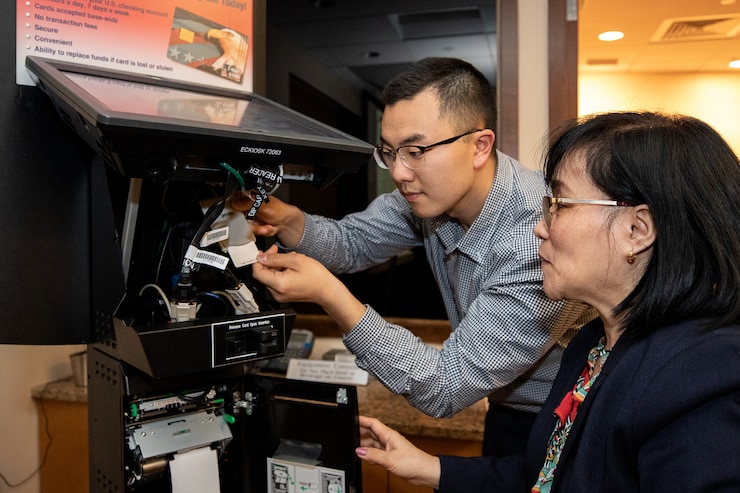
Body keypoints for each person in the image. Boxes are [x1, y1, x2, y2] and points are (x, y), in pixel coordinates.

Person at [351, 111, 740, 492]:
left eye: (560, 204)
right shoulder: (591, 344)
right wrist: (431, 469)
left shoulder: (700, 379)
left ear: (637, 230)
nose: (540, 225)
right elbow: (546, 475)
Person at [250, 57, 594, 457]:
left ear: (480, 146)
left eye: (415, 150)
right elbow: (352, 241)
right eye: (389, 153)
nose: (398, 172)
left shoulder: (535, 240)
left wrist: (331, 295)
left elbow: (445, 386)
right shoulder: (429, 200)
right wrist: (286, 219)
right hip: (503, 409)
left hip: (563, 421)